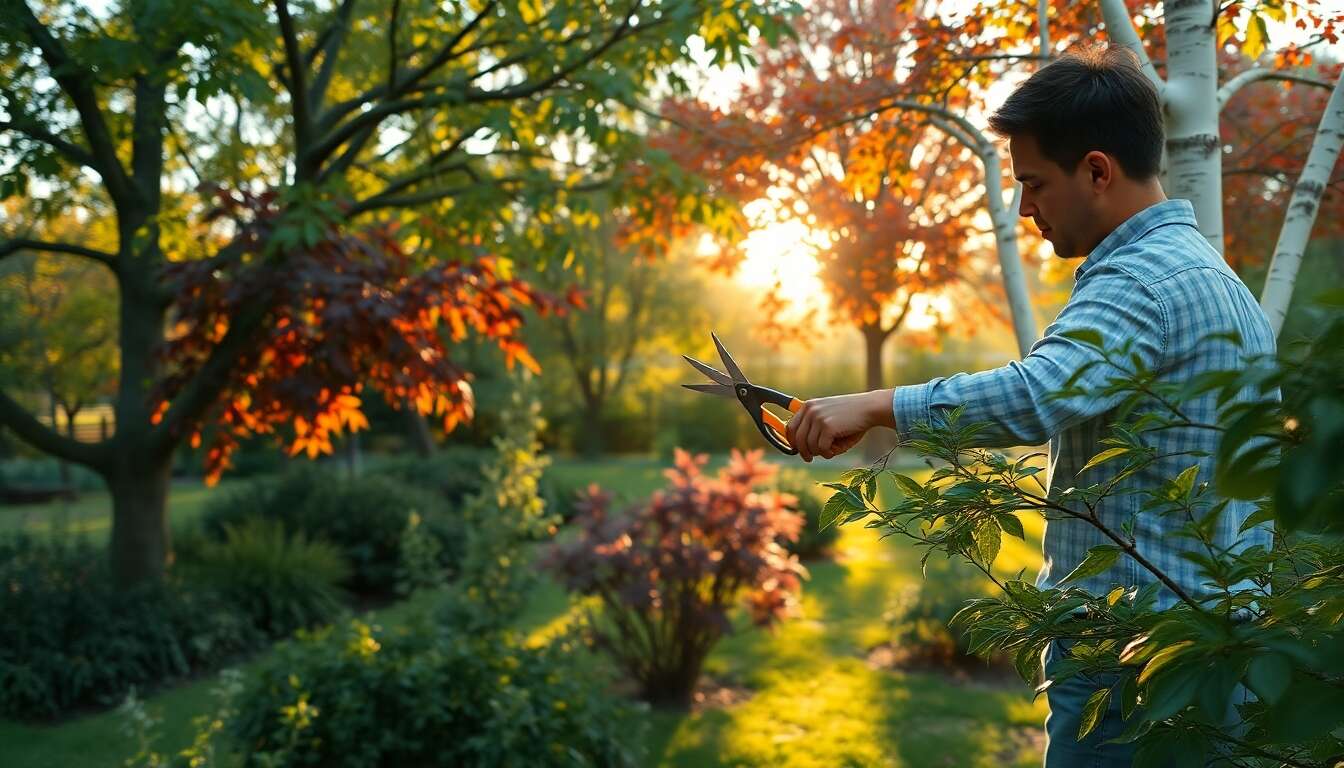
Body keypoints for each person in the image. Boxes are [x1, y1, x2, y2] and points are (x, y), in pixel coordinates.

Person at [782, 46, 1275, 766]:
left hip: (1130, 662)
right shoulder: (1218, 279)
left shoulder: (1140, 279)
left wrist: (878, 405)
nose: (1024, 208)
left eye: (1035, 183)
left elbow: (1038, 393)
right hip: (1212, 649)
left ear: (1098, 171)